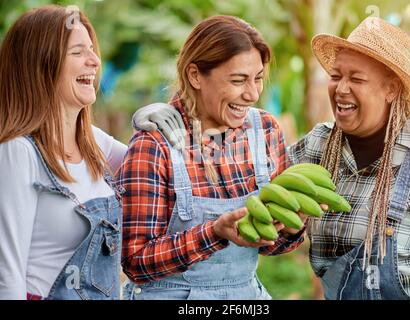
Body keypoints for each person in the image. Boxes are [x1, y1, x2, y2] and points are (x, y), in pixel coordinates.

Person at [136, 17, 410, 300]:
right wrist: (172, 112)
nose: (341, 89)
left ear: (391, 89)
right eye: (336, 75)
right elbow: (248, 193)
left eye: (356, 79)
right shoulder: (317, 146)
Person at [116, 15, 308, 300]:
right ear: (195, 76)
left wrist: (291, 229)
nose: (252, 93)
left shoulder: (265, 131)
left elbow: (270, 246)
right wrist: (214, 233)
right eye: (238, 80)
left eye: (257, 79)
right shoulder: (154, 145)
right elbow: (135, 261)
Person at [0, 5, 128, 300]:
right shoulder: (18, 152)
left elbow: (157, 167)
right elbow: (7, 275)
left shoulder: (93, 143)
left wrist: (157, 116)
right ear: (41, 63)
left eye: (93, 50)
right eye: (78, 52)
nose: (95, 61)